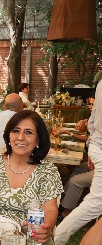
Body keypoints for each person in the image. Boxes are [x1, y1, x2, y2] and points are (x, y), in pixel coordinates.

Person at [0, 110, 63, 244]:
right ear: (8, 136)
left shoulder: (47, 171)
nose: (20, 137)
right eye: (15, 131)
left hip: (26, 237)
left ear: (38, 139)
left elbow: (50, 209)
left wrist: (45, 228)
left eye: (28, 132)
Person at [54, 80, 102, 244]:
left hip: (98, 148)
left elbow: (94, 122)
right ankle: (56, 237)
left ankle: (56, 236)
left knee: (95, 203)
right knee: (95, 203)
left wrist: (93, 147)